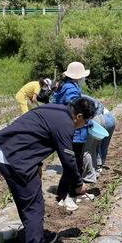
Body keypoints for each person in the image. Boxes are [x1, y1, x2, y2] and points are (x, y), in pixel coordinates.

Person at [0, 97, 96, 243]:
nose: (84, 125)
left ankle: (34, 237)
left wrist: (37, 164)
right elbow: (69, 161)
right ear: (78, 116)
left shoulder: (55, 109)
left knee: (31, 203)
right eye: (86, 121)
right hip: (15, 160)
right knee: (34, 209)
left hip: (9, 154)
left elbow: (34, 134)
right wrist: (79, 185)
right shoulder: (66, 124)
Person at [50, 62, 90, 211]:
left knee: (71, 164)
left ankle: (65, 194)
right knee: (73, 164)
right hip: (75, 131)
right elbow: (74, 108)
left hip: (70, 129)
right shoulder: (70, 89)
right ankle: (69, 195)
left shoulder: (66, 86)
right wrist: (86, 120)